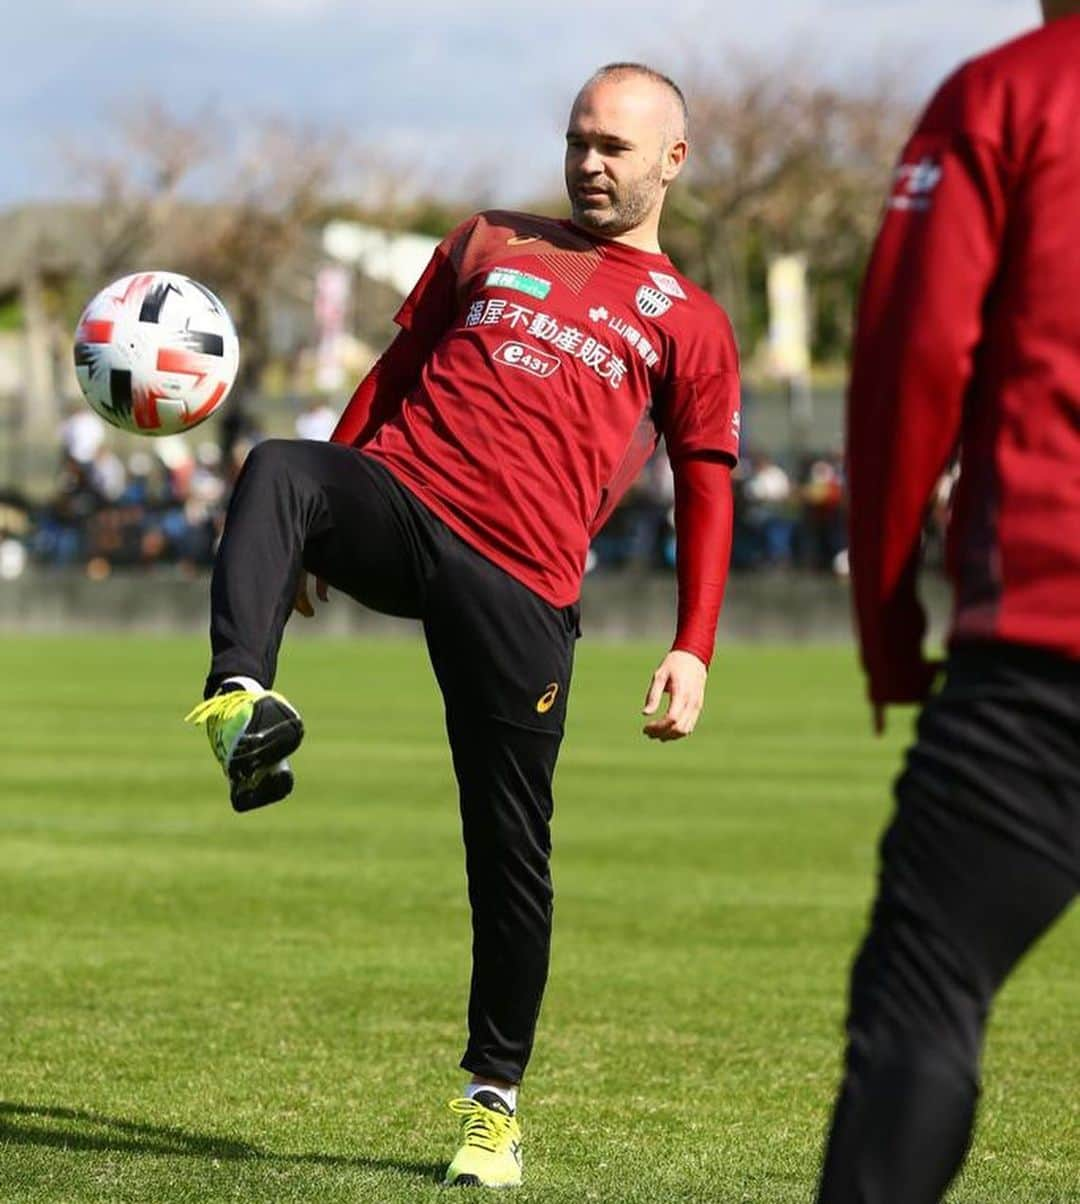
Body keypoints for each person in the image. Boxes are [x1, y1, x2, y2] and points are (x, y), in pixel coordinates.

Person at [186, 62, 740, 1188]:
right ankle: (238, 699)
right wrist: (309, 528)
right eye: (579, 139)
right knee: (282, 465)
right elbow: (392, 373)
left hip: (523, 587)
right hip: (402, 504)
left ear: (672, 161)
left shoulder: (690, 321)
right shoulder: (487, 238)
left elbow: (709, 484)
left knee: (508, 855)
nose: (589, 161)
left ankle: (494, 1108)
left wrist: (694, 644)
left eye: (615, 148)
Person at [817, 6, 1080, 1201]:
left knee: (923, 1000)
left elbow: (909, 370)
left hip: (1046, 652)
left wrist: (887, 630)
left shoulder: (1006, 96)